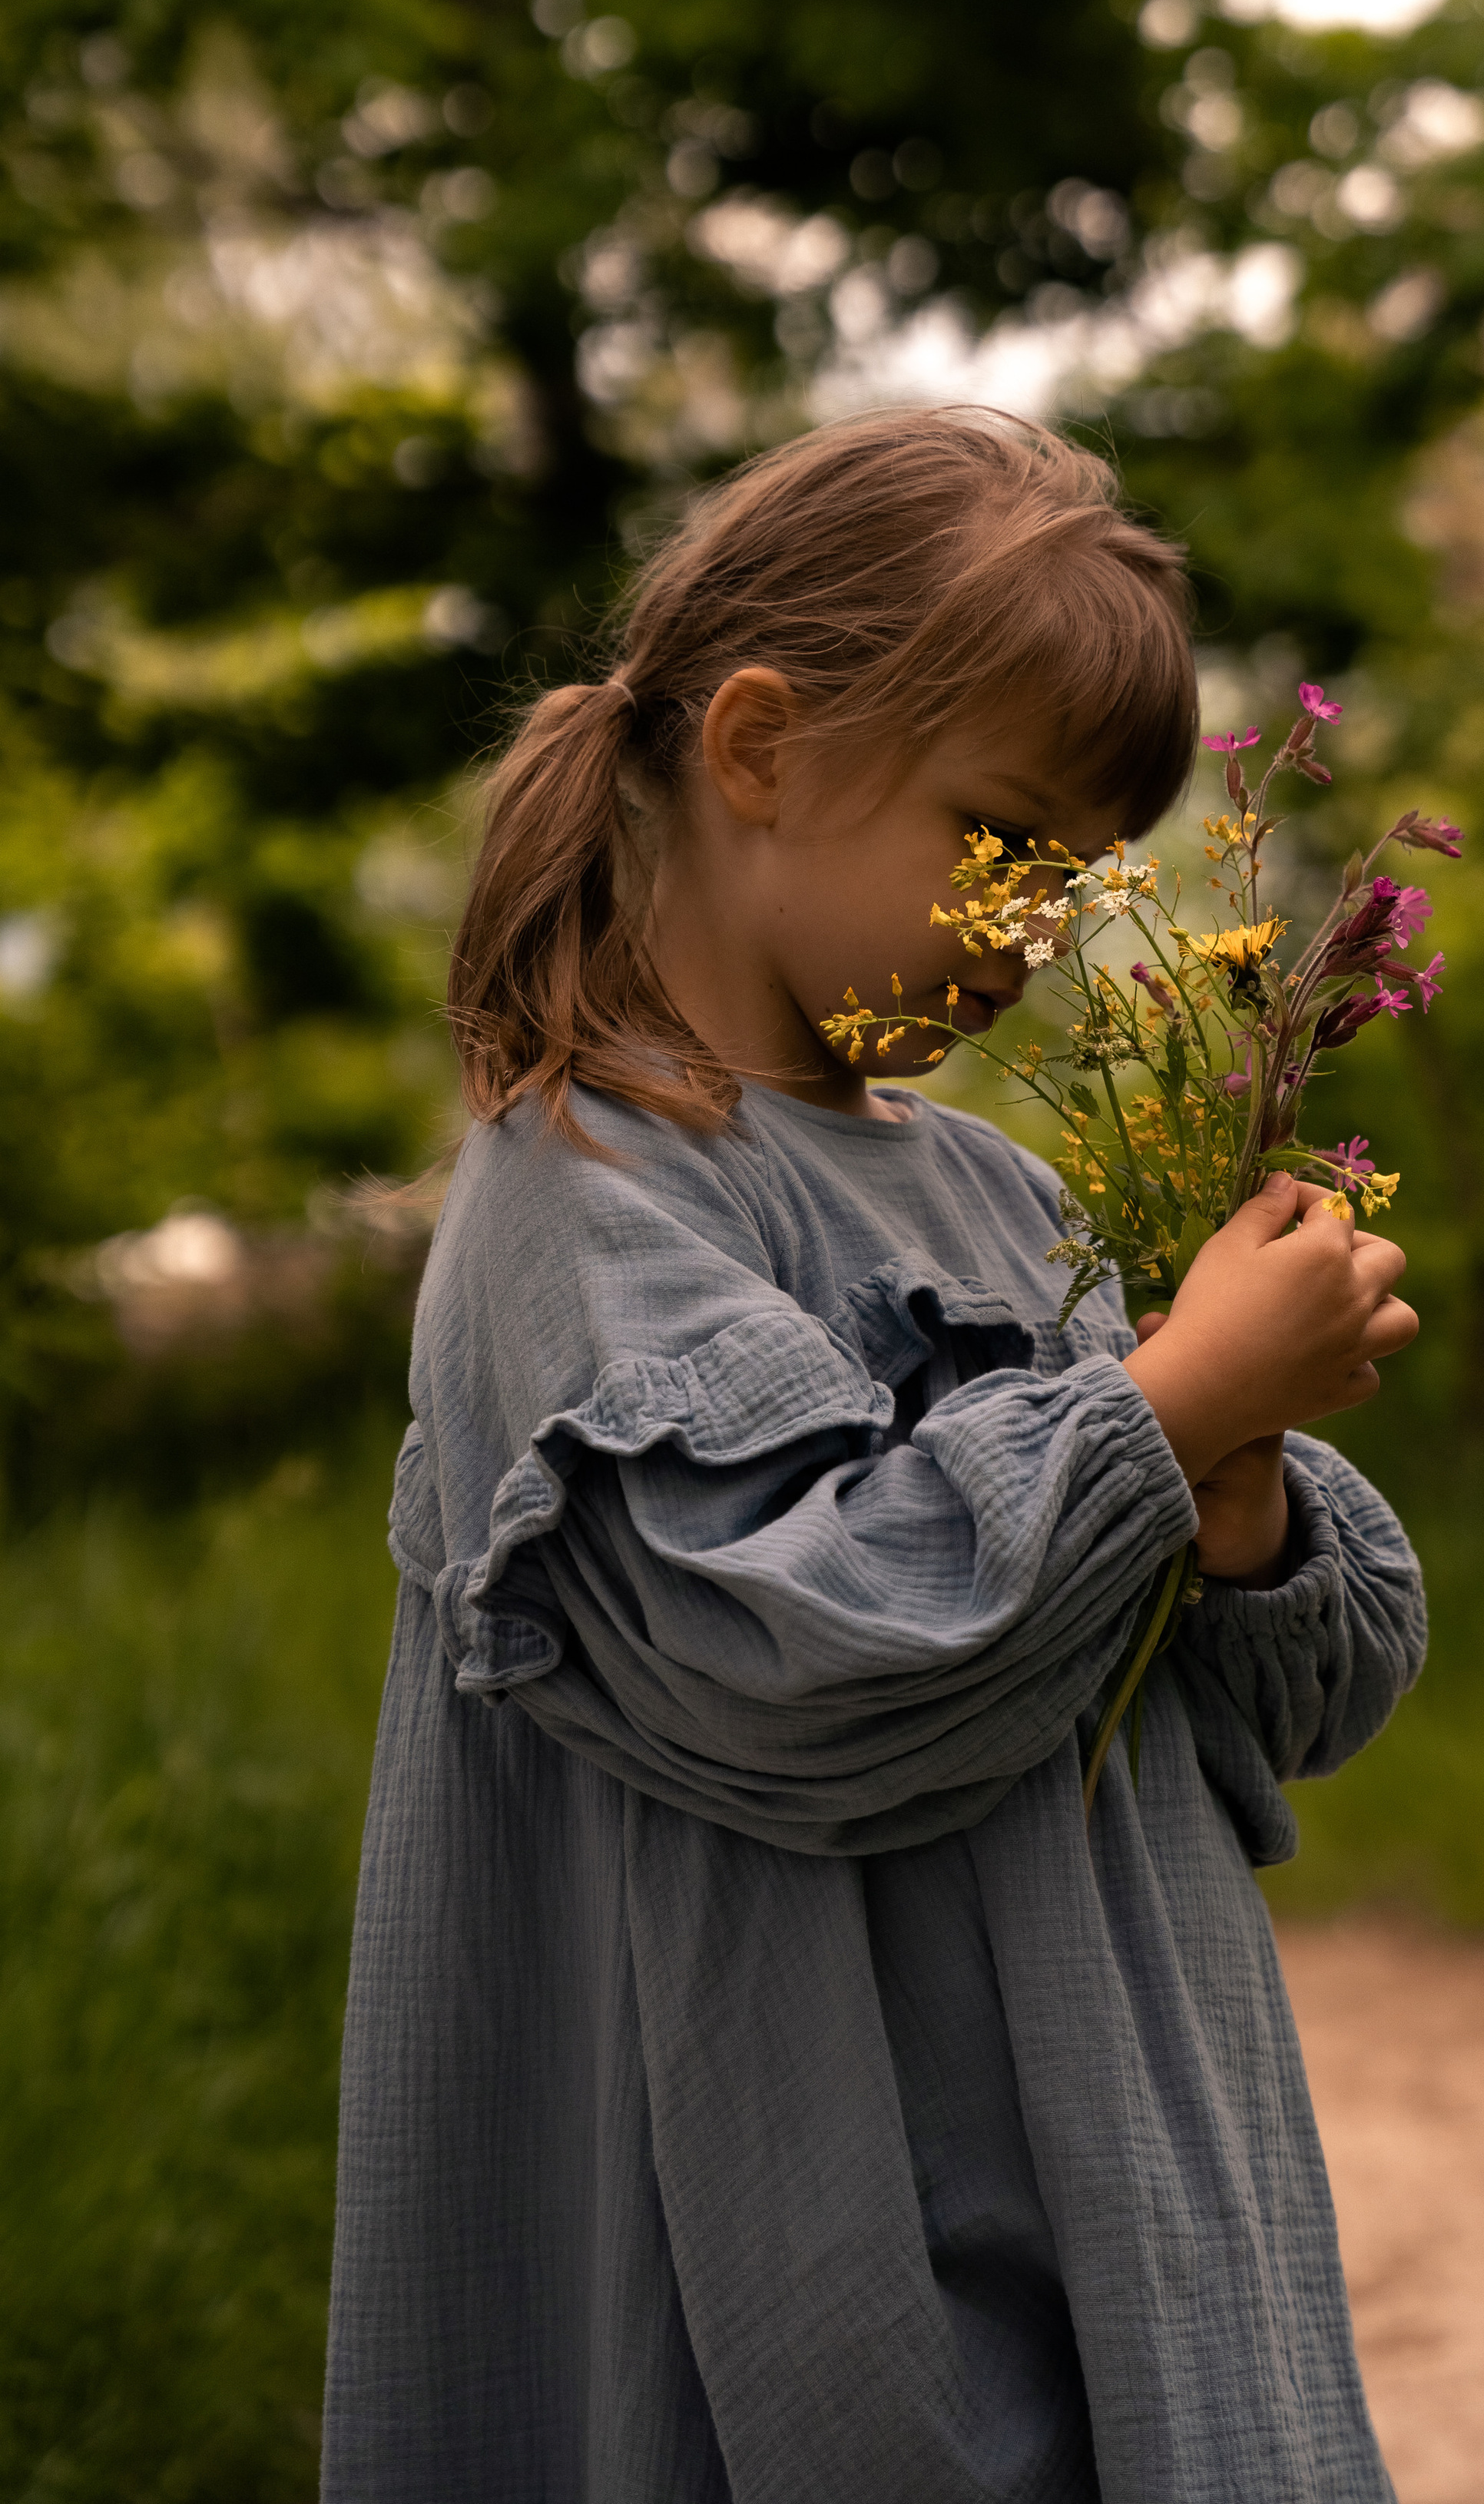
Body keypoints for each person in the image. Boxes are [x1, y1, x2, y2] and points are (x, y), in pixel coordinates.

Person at [323, 406, 1426, 2504]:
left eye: (1079, 875)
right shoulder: (588, 1194)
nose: (1040, 926)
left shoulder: (1009, 1195)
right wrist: (1169, 1406)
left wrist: (1239, 1486)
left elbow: (1296, 1704)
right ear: (760, 748)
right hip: (817, 2197)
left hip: (1114, 2158)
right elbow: (797, 1659)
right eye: (999, 837)